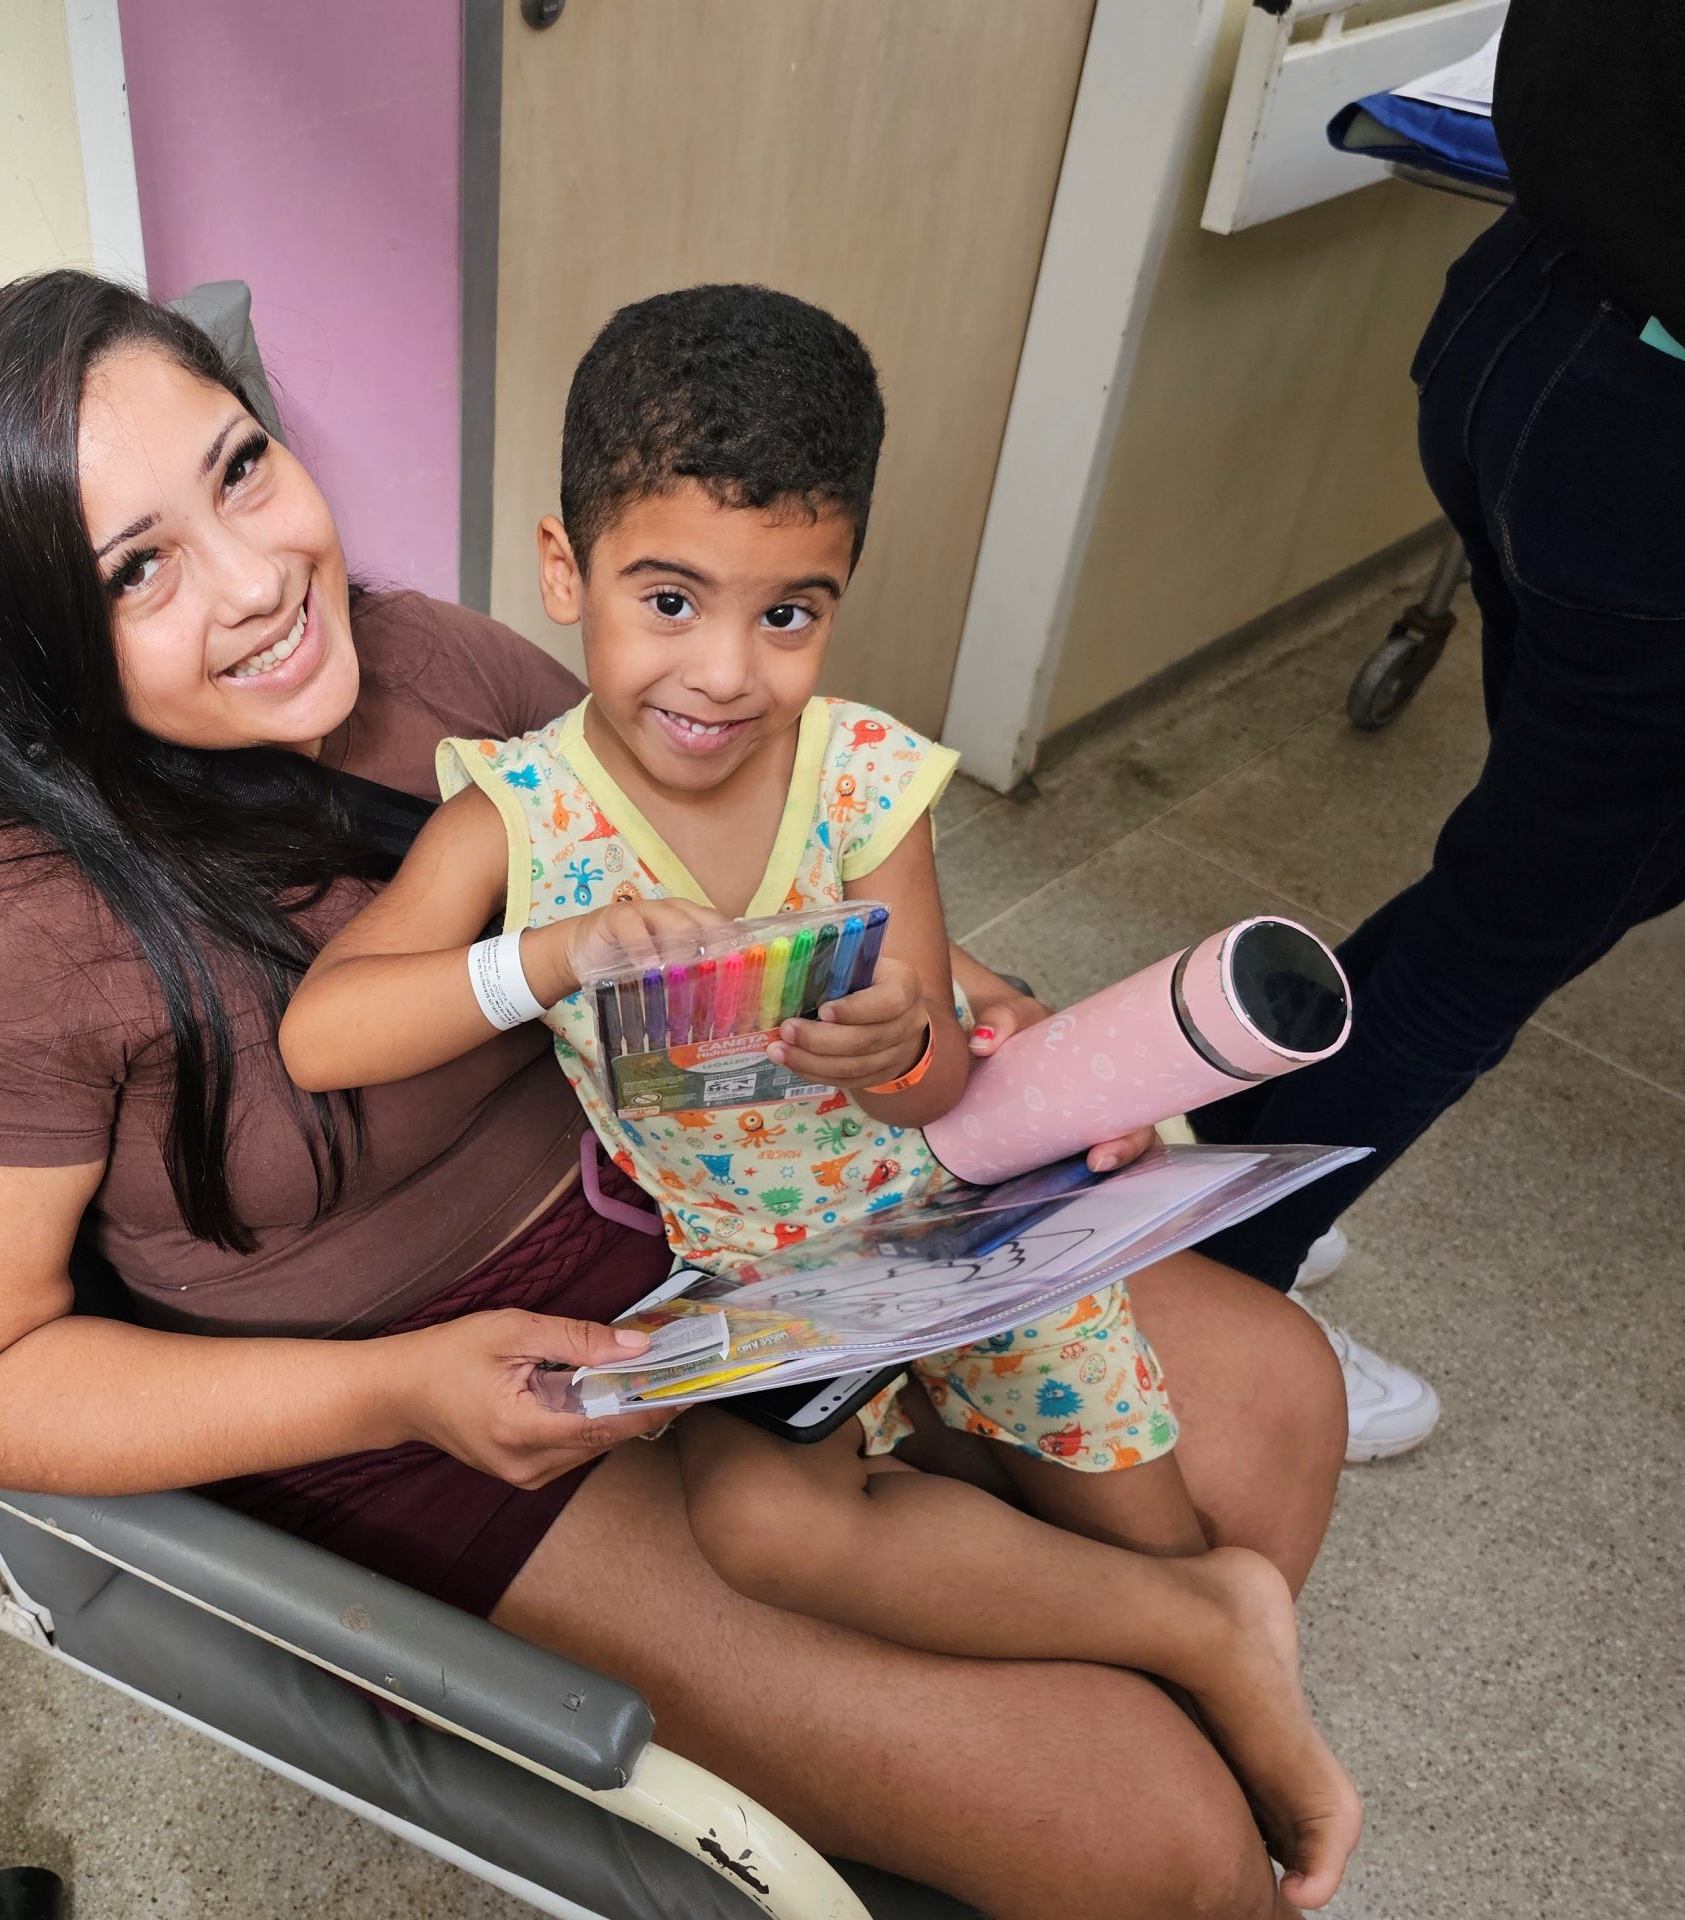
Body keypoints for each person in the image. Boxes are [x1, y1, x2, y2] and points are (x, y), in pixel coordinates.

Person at [0, 267, 1349, 1918]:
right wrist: (392, 1391)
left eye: (242, 467)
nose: (261, 582)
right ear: (34, 636)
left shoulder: (422, 667)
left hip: (704, 1209)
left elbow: (712, 834)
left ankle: (1133, 1653)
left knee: (1272, 1404)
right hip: (427, 1405)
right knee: (1153, 1838)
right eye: (139, 568)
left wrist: (971, 1029)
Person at [282, 285, 1356, 1908]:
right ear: (565, 574)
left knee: (1136, 1502)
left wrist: (900, 1045)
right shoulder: (513, 819)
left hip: (952, 1231)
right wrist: (552, 955)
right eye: (668, 599)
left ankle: (1220, 1691)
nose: (724, 672)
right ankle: (1204, 1623)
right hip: (761, 1289)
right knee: (760, 1530)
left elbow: (933, 1080)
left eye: (791, 613)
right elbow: (326, 1033)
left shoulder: (864, 780)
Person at [1193, 0, 1685, 1464]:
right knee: (1507, 924)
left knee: (1525, 868)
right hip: (1643, 450)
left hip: (1523, 322)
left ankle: (1230, 1170)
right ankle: (1219, 1283)